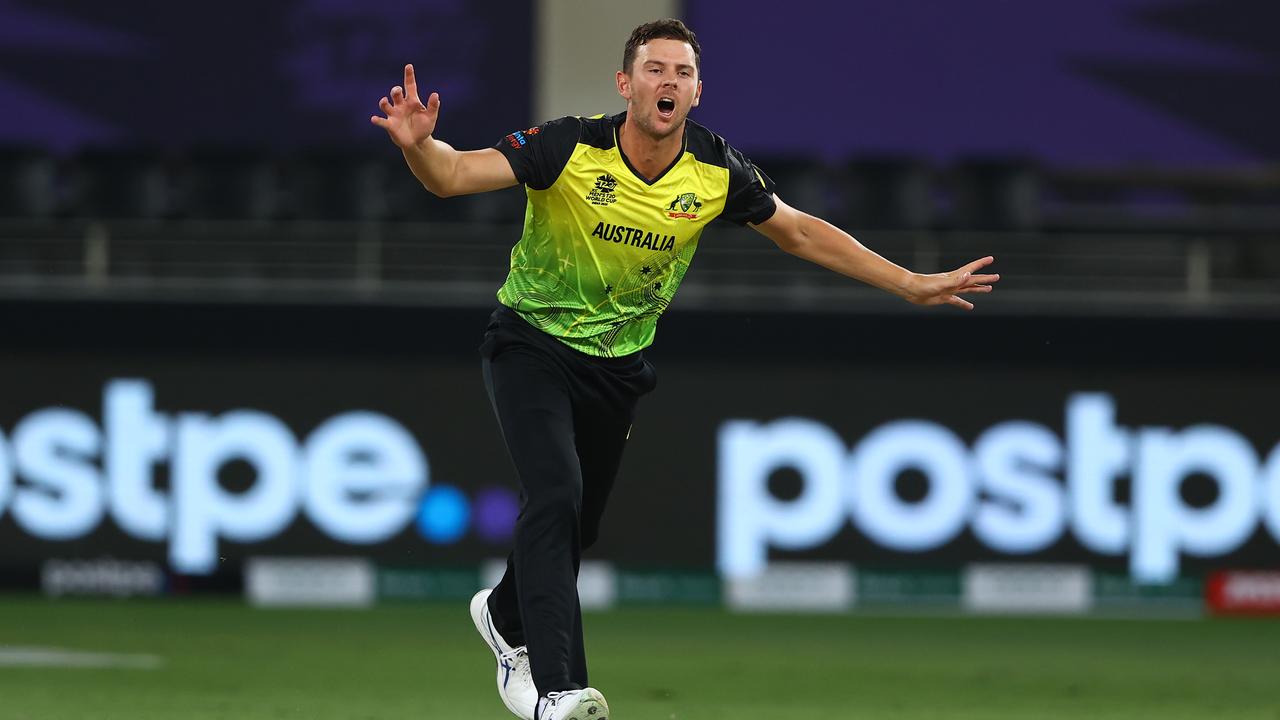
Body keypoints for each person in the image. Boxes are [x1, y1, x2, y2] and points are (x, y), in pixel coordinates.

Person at [372, 18, 999, 720]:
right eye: (654, 69)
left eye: (682, 73)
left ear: (698, 92)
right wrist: (420, 147)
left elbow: (796, 229)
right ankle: (557, 692)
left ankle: (502, 612)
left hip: (617, 367)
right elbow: (454, 175)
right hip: (530, 344)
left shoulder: (715, 169)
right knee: (554, 494)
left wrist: (909, 282)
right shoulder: (567, 145)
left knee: (574, 525)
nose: (667, 82)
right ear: (625, 83)